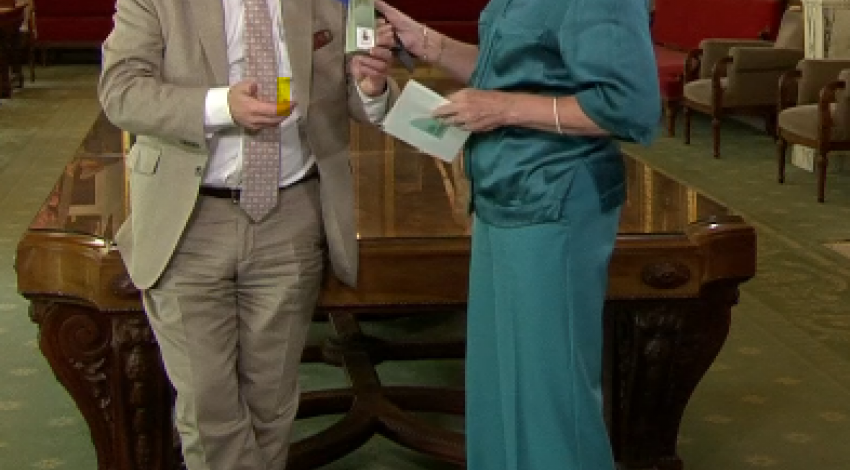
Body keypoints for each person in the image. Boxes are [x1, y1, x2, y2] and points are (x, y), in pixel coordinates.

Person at [98, 0, 398, 468]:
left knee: (271, 408)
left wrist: (371, 86)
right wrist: (221, 106)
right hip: (189, 219)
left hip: (290, 216)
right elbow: (121, 91)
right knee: (208, 410)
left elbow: (353, 95)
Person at [375, 1, 660, 469]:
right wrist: (432, 45)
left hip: (555, 200)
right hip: (502, 193)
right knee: (499, 386)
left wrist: (503, 109)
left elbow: (630, 106)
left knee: (549, 394)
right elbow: (514, 69)